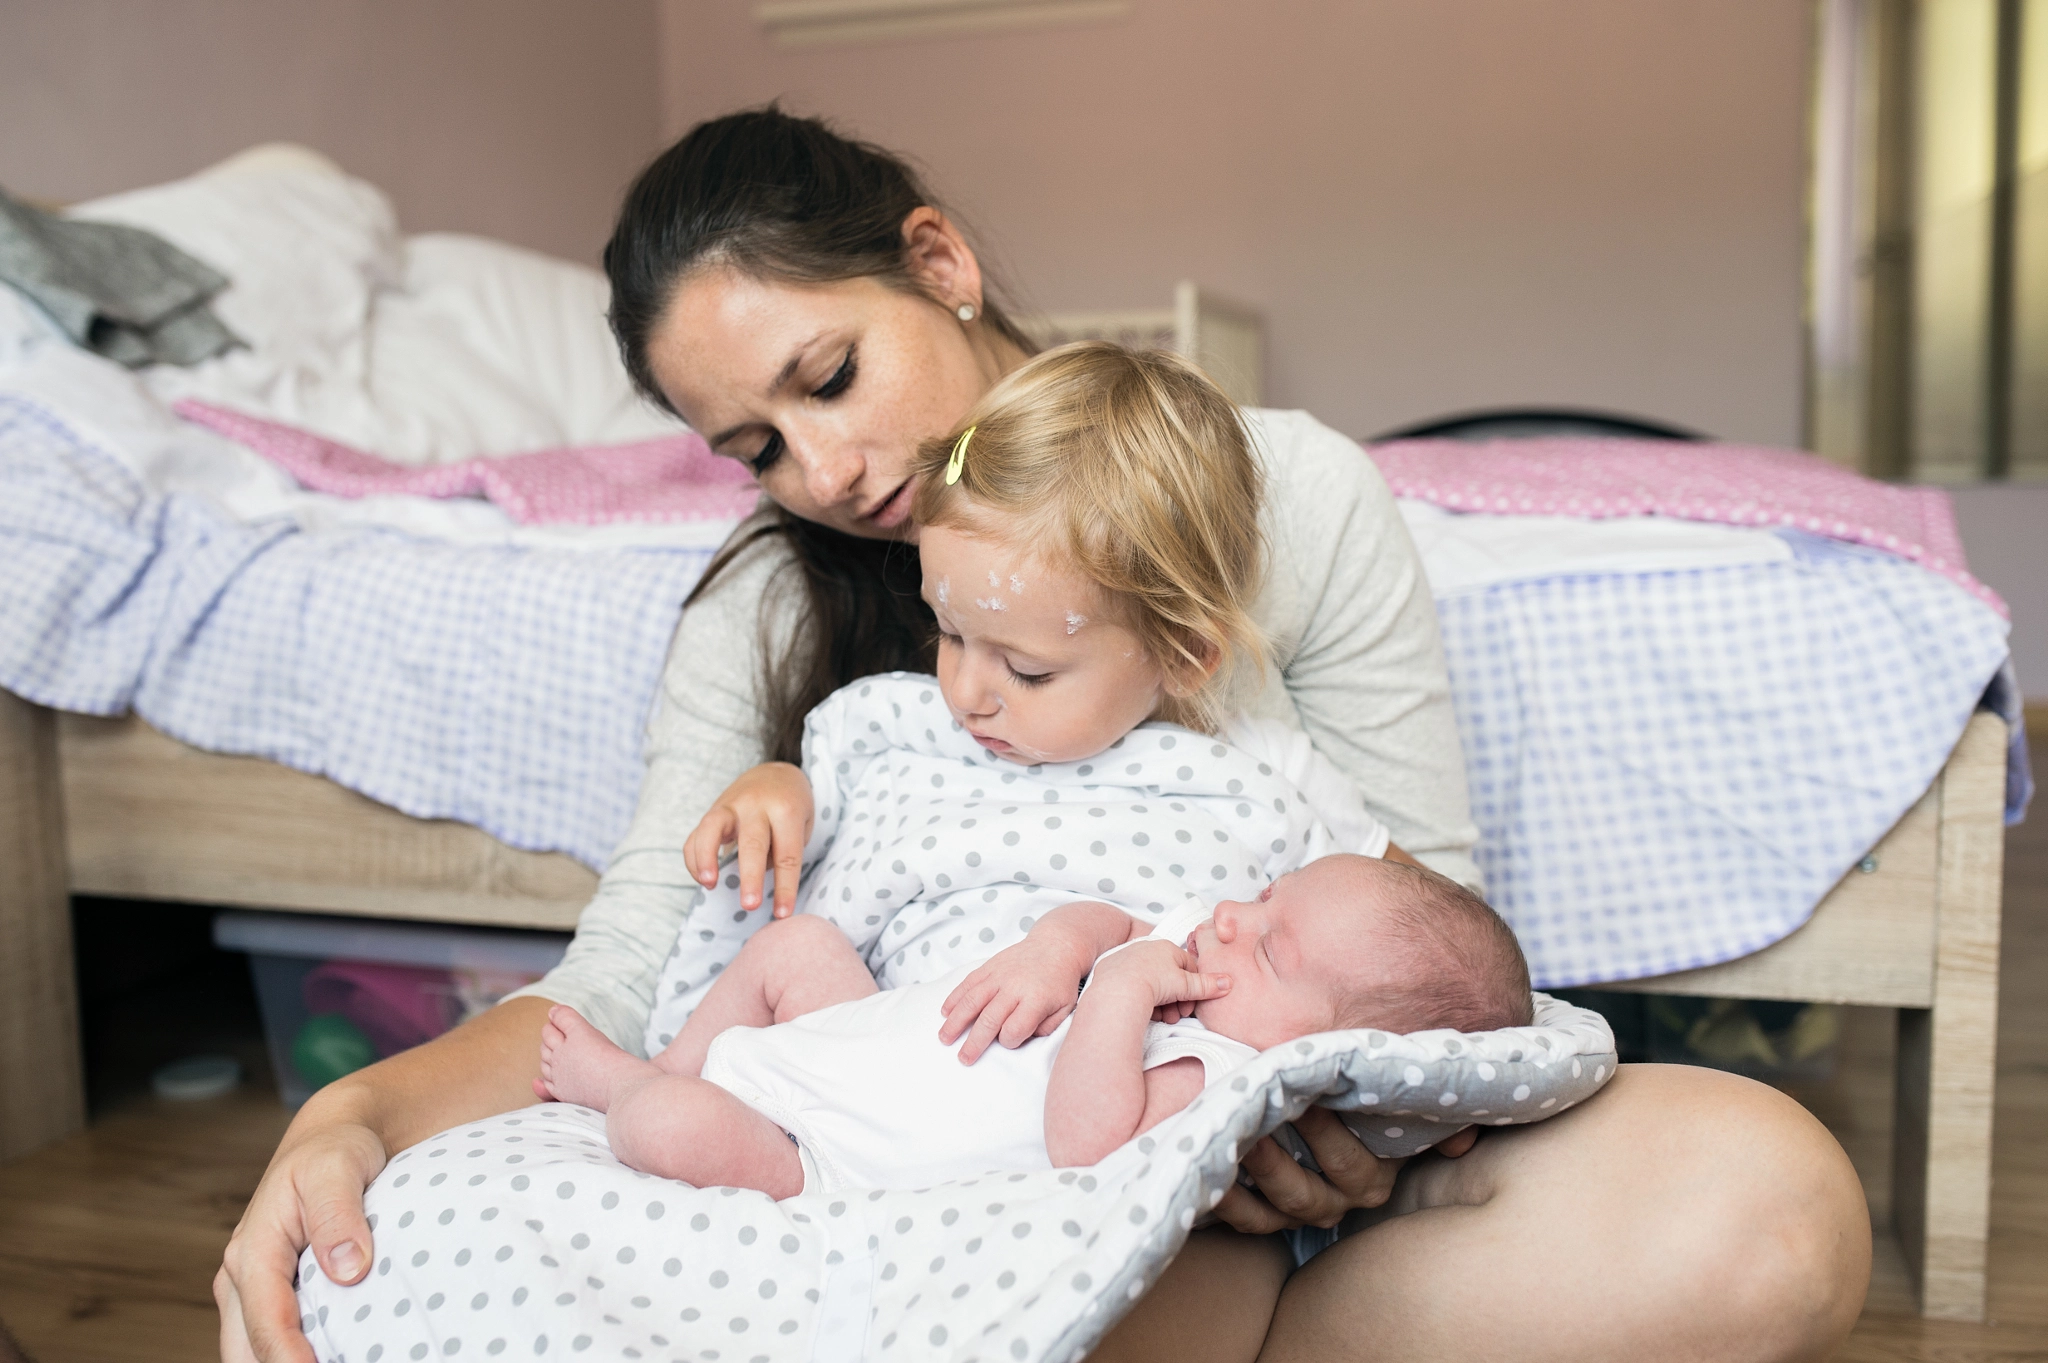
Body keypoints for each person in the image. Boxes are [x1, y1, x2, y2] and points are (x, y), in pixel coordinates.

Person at [217, 107, 1872, 1363]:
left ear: (937, 261)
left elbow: (1405, 908)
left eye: (832, 372)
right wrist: (344, 1117)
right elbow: (633, 962)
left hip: (1231, 1166)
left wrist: (1297, 1127)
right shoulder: (773, 621)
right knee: (414, 1231)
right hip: (902, 1185)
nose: (828, 468)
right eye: (753, 443)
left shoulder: (1285, 490)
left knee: (1767, 1203)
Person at [535, 856, 1533, 1194]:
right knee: (794, 947)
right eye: (1265, 895)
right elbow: (1106, 924)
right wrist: (1062, 951)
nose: (1232, 918)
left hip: (831, 1152)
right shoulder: (1198, 950)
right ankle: (671, 1055)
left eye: (1269, 949)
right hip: (872, 1034)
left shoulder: (1221, 1070)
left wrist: (1117, 993)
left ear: (1321, 1053)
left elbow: (1084, 1141)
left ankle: (629, 1088)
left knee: (667, 1125)